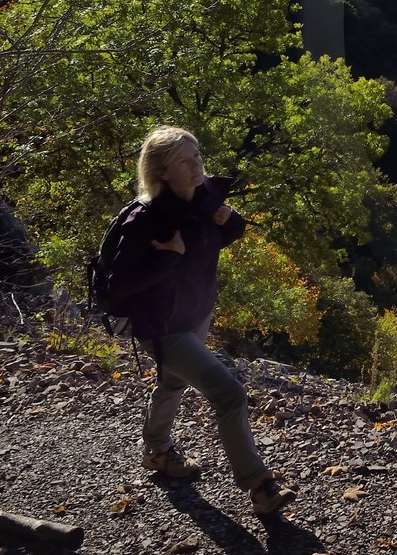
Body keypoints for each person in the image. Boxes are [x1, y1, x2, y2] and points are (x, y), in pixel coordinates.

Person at [104, 125, 296, 516]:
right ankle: (260, 486)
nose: (197, 168)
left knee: (173, 381)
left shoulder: (203, 200)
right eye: (185, 162)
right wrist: (168, 257)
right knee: (230, 394)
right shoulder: (145, 220)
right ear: (161, 173)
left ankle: (157, 451)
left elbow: (215, 240)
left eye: (198, 158)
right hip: (161, 327)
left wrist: (233, 221)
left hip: (195, 315)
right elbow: (116, 287)